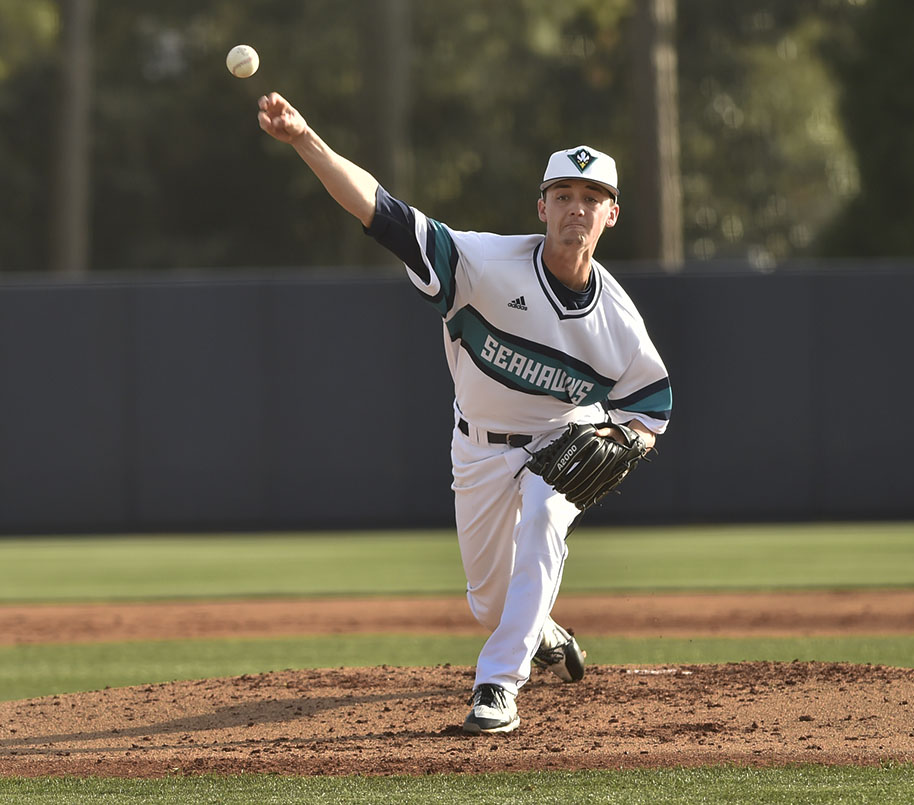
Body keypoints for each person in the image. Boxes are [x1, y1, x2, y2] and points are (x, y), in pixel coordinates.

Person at [257, 92, 672, 735]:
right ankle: (542, 632)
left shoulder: (619, 323)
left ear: (611, 215)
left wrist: (620, 447)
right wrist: (308, 139)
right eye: (563, 195)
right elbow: (383, 213)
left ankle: (497, 685)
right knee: (488, 601)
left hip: (560, 441)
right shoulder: (482, 263)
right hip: (476, 447)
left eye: (591, 198)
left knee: (542, 514)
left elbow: (651, 407)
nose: (576, 209)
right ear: (541, 207)